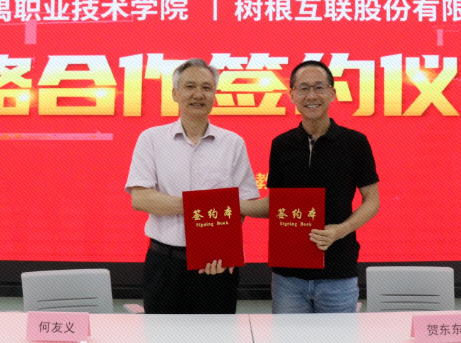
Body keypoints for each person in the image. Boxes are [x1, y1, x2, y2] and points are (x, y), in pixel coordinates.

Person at [241, 60, 380, 313]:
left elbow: (372, 200)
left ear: (332, 93)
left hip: (338, 272)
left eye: (319, 87)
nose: (312, 95)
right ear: (292, 95)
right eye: (303, 88)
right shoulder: (281, 144)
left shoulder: (355, 142)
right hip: (288, 276)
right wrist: (227, 205)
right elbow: (275, 205)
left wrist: (341, 230)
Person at [125, 58, 260, 314]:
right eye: (190, 86)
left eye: (206, 88)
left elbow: (243, 204)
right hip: (165, 264)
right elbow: (140, 198)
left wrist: (223, 248)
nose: (198, 94)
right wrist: (202, 205)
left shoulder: (233, 143)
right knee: (161, 333)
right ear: (175, 93)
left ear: (215, 95)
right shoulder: (151, 139)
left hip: (216, 264)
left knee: (217, 333)